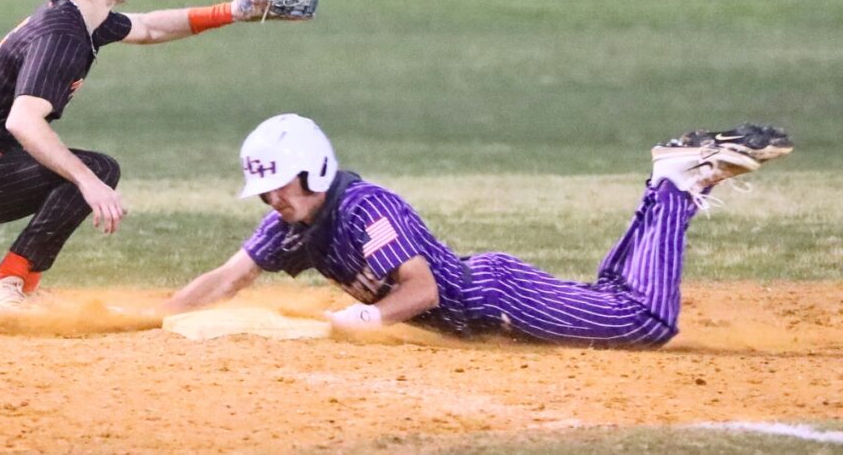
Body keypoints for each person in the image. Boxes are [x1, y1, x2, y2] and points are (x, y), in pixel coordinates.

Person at [0, 0, 279, 319]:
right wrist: (87, 182)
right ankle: (5, 283)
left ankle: (17, 285)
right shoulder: (63, 35)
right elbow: (22, 120)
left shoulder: (79, 19)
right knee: (95, 171)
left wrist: (232, 10)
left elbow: (149, 28)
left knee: (94, 170)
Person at [162, 115, 793, 347]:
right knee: (610, 294)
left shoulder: (365, 209)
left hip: (494, 296)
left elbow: (424, 290)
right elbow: (228, 277)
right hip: (490, 307)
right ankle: (671, 180)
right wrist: (159, 316)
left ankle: (673, 185)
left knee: (644, 322)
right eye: (266, 191)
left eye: (281, 185)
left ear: (315, 170)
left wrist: (370, 320)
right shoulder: (293, 223)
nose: (273, 199)